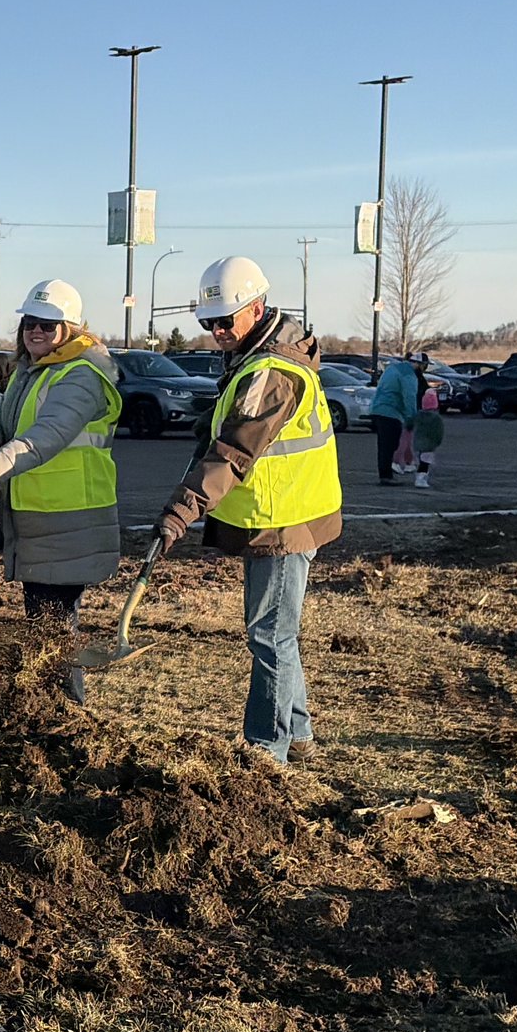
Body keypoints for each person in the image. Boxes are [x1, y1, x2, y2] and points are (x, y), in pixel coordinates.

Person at [151, 256, 342, 767]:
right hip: (281, 513)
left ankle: (267, 750)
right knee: (279, 632)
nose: (216, 331)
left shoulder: (273, 374)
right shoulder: (256, 360)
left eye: (224, 320)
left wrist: (181, 511)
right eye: (207, 323)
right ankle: (297, 734)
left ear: (256, 308)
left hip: (285, 519)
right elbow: (221, 435)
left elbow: (233, 454)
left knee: (269, 634)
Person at [0, 279, 121, 702]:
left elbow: (47, 435)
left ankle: (66, 719)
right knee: (44, 629)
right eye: (30, 322)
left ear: (69, 329)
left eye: (48, 325)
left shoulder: (81, 375)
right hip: (37, 522)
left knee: (54, 631)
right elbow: (5, 417)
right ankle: (52, 715)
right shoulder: (33, 372)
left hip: (68, 520)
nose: (36, 331)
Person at [370, 352, 421, 485]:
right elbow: (409, 397)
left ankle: (385, 474)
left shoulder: (392, 368)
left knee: (383, 445)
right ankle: (386, 476)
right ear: (418, 364)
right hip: (391, 412)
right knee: (390, 444)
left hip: (377, 408)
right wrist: (411, 417)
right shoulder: (408, 375)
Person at [412, 380, 446, 489]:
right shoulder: (436, 418)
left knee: (422, 460)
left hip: (419, 443)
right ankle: (421, 479)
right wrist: (437, 441)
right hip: (430, 444)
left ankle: (420, 477)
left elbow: (410, 423)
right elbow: (439, 432)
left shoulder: (419, 415)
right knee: (425, 462)